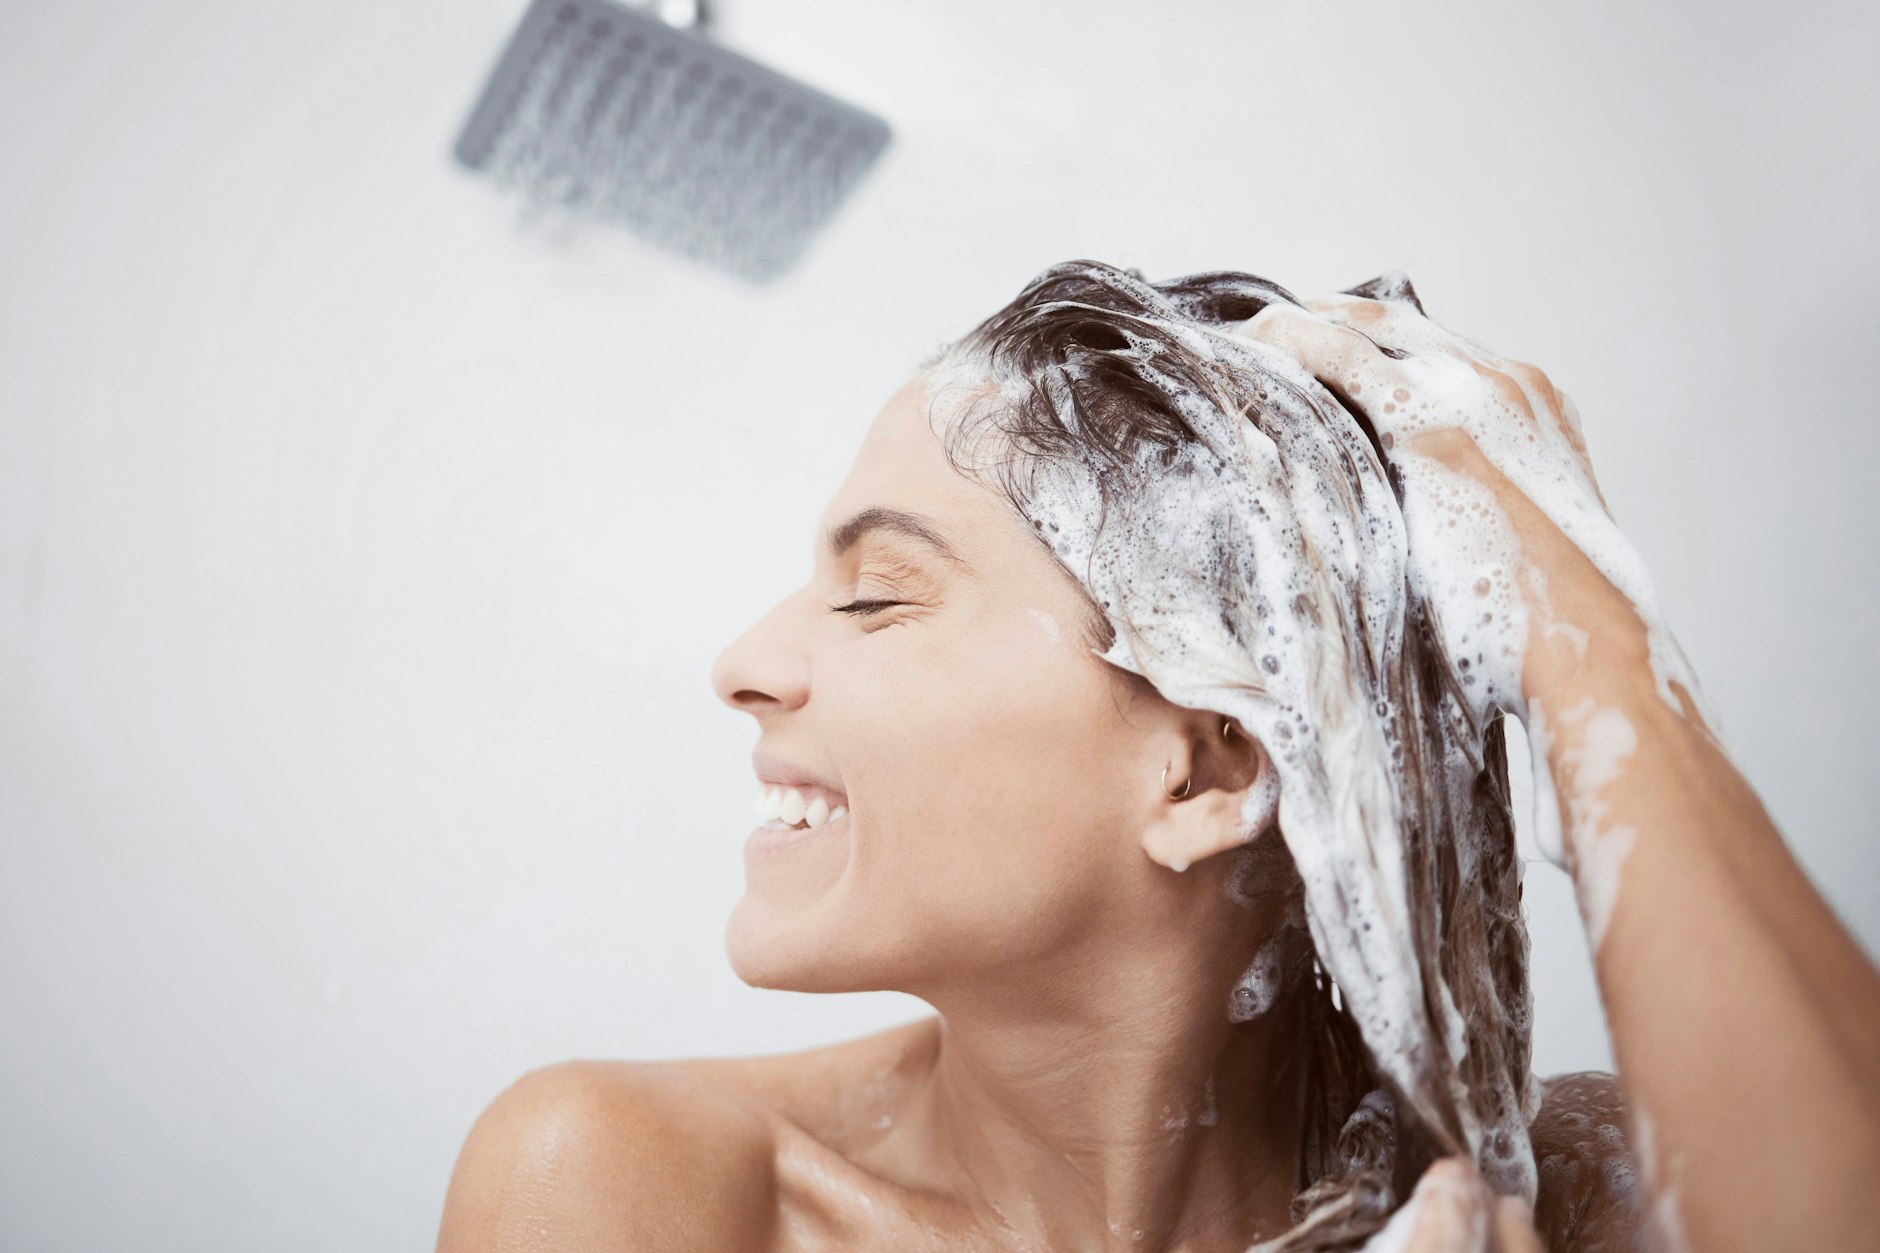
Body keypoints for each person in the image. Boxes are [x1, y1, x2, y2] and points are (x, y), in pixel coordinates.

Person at [435, 262, 1880, 1252]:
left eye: (876, 593)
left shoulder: (1559, 1189)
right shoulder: (641, 1187)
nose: (743, 660)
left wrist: (1590, 645)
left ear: (1207, 769)